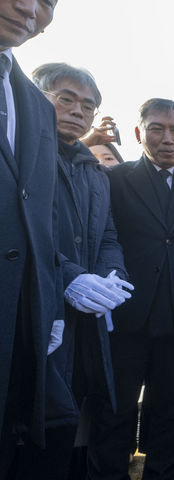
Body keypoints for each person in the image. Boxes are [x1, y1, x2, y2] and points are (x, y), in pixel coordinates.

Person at [87, 99, 174, 479]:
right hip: (125, 315)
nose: (168, 139)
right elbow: (99, 238)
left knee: (171, 410)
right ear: (138, 133)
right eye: (157, 129)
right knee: (114, 409)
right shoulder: (112, 180)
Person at [18, 62, 133, 480]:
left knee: (73, 425)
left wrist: (111, 277)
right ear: (35, 95)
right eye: (65, 98)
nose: (78, 111)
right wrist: (69, 278)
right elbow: (21, 235)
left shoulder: (95, 172)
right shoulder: (18, 152)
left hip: (86, 320)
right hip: (32, 311)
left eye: (89, 105)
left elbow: (107, 235)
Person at [0, 1, 65, 475]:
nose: (30, 7)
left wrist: (49, 308)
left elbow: (40, 220)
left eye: (48, 1)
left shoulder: (37, 108)